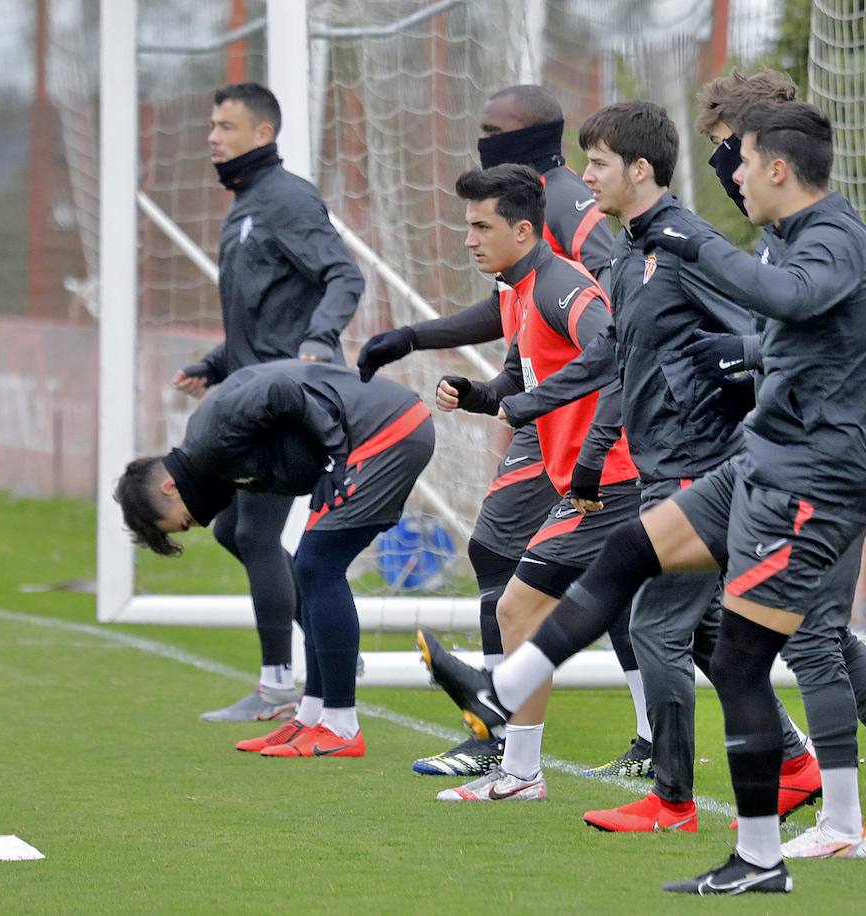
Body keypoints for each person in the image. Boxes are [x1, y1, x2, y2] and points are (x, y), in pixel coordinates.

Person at [419, 101, 866, 894]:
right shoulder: (741, 241)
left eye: (737, 160)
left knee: (749, 652)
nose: (730, 175)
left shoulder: (834, 242)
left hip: (811, 477)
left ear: (777, 167)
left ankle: (761, 848)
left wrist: (696, 263)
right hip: (756, 465)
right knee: (631, 557)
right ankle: (501, 693)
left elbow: (775, 304)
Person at [481, 100, 820, 834]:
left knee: (657, 628)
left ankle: (672, 801)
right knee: (697, 634)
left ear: (640, 169)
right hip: (664, 468)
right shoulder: (630, 251)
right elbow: (612, 356)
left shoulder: (687, 245)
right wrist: (530, 406)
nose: (584, 175)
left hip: (704, 467)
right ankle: (794, 763)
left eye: (597, 162)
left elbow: (760, 338)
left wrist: (732, 411)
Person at [356, 85, 652, 780]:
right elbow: (516, 324)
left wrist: (558, 409)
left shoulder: (570, 212)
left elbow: (606, 323)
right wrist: (480, 384)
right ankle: (521, 736)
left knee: (637, 604)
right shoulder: (523, 247)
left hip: (599, 440)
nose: (481, 135)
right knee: (590, 584)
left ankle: (505, 730)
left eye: (493, 128)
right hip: (561, 427)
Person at [418, 163, 643, 803]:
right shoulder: (517, 289)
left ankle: (517, 764)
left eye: (480, 226)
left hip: (612, 482)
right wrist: (476, 395)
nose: (469, 239)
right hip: (592, 481)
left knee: (520, 606)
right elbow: (517, 384)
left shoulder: (562, 289)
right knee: (674, 629)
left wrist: (588, 449)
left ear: (522, 229)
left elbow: (615, 354)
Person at [116, 359, 433, 759]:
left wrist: (334, 454)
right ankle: (311, 716)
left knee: (318, 567)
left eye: (181, 523)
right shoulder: (210, 457)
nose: (193, 524)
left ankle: (342, 726)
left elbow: (280, 390)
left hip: (387, 430)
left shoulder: (209, 436)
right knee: (308, 567)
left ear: (169, 487)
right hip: (373, 434)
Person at [172, 82, 366, 722]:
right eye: (211, 124)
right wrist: (215, 364)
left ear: (263, 134)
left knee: (252, 530)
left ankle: (280, 682)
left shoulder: (286, 198)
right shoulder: (246, 204)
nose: (212, 136)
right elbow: (261, 317)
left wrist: (318, 341)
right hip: (253, 394)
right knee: (231, 526)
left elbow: (344, 275)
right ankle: (334, 642)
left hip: (291, 400)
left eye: (225, 125)